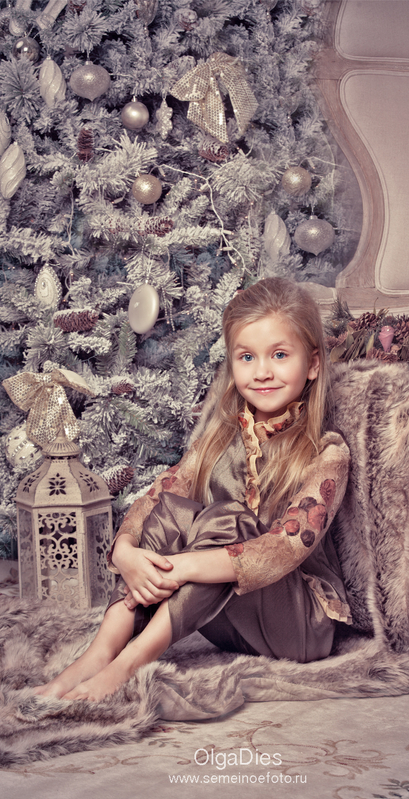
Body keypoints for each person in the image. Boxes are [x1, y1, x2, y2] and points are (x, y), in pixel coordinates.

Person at [34, 277, 351, 702]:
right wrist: (125, 552)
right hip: (227, 619)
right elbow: (155, 499)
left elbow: (284, 548)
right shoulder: (217, 442)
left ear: (312, 364)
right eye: (247, 357)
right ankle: (101, 652)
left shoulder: (327, 453)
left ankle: (131, 662)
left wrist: (182, 567)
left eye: (279, 355)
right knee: (171, 510)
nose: (262, 372)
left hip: (299, 626)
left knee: (230, 520)